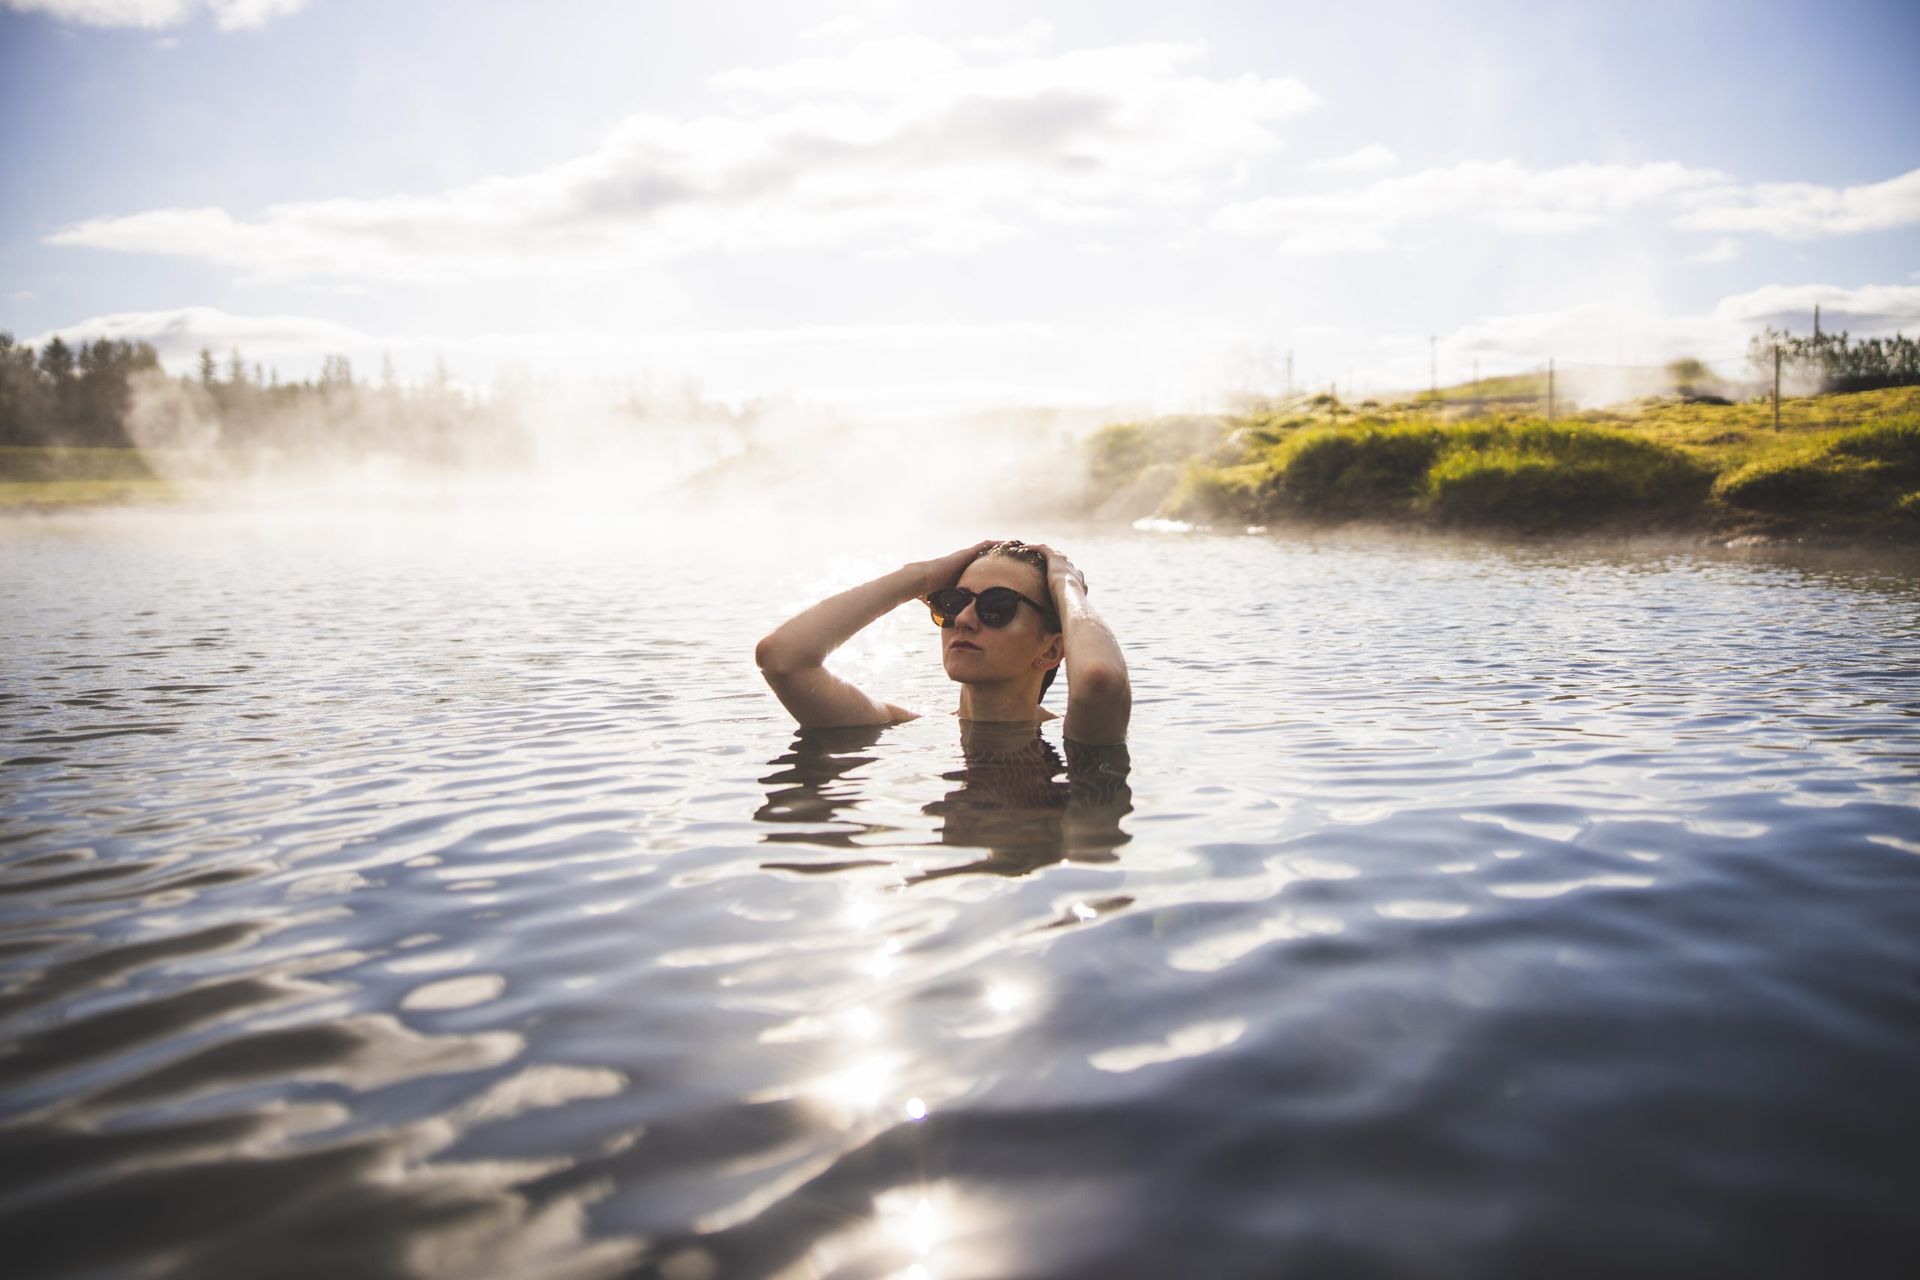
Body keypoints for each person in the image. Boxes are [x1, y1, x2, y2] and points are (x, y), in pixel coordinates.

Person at [754, 540, 1130, 745]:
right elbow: (782, 658)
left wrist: (1066, 584)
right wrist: (918, 578)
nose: (964, 619)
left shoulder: (1080, 733)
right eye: (954, 603)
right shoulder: (903, 726)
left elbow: (1100, 678)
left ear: (1050, 649)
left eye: (997, 607)